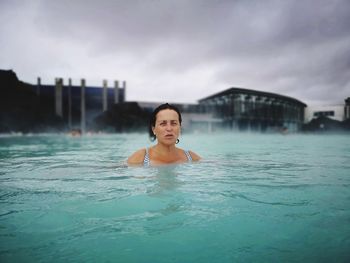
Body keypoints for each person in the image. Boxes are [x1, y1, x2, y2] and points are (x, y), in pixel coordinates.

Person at [127, 103, 201, 166]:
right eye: (163, 123)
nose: (169, 128)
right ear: (154, 129)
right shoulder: (140, 158)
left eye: (174, 123)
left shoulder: (191, 157)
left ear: (180, 128)